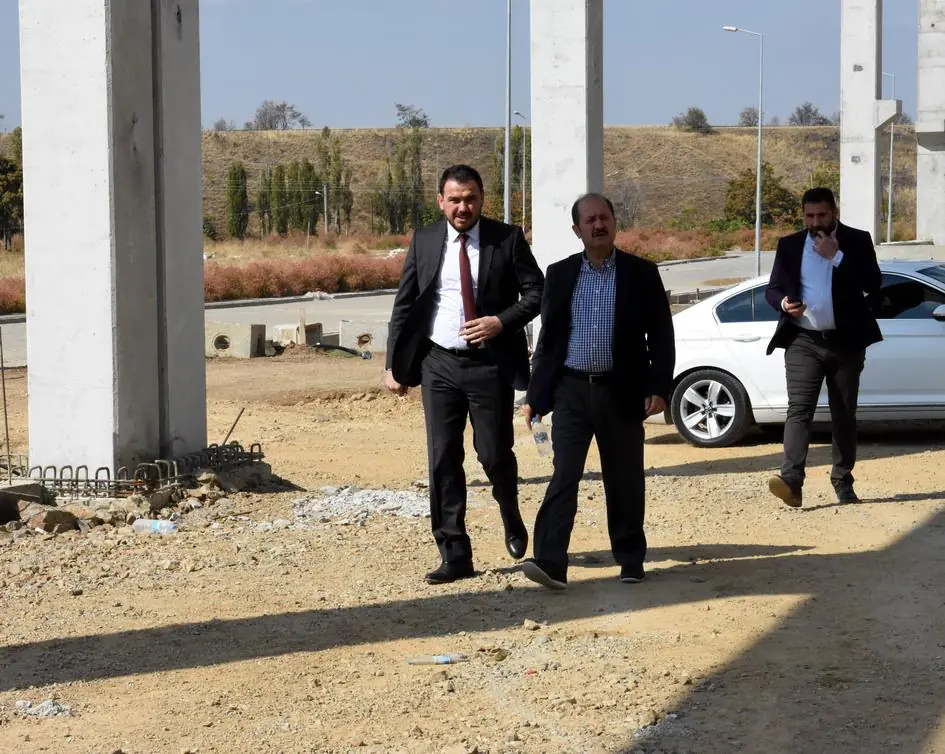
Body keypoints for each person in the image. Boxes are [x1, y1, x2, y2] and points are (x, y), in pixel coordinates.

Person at [385, 164, 545, 584]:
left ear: (481, 199)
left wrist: (500, 321)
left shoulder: (506, 239)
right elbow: (405, 304)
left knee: (493, 454)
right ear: (441, 201)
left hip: (489, 364)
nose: (462, 207)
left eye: (470, 199)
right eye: (454, 199)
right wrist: (393, 364)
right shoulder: (424, 240)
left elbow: (537, 292)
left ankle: (510, 511)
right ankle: (454, 553)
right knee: (442, 458)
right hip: (438, 363)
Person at [519, 193, 675, 590]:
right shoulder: (560, 274)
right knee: (563, 475)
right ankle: (551, 561)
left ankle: (630, 559)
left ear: (615, 222)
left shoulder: (641, 273)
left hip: (621, 391)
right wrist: (536, 395)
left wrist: (658, 387)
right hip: (571, 391)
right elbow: (549, 340)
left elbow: (661, 335)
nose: (598, 225)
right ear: (577, 230)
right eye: (589, 220)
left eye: (604, 217)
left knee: (624, 479)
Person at [764, 187, 882, 508]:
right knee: (799, 409)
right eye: (809, 216)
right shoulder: (789, 245)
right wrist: (784, 303)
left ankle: (842, 480)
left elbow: (873, 284)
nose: (815, 222)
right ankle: (791, 481)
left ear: (834, 213)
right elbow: (773, 289)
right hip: (803, 340)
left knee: (843, 413)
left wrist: (837, 256)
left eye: (822, 215)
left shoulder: (856, 240)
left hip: (846, 342)